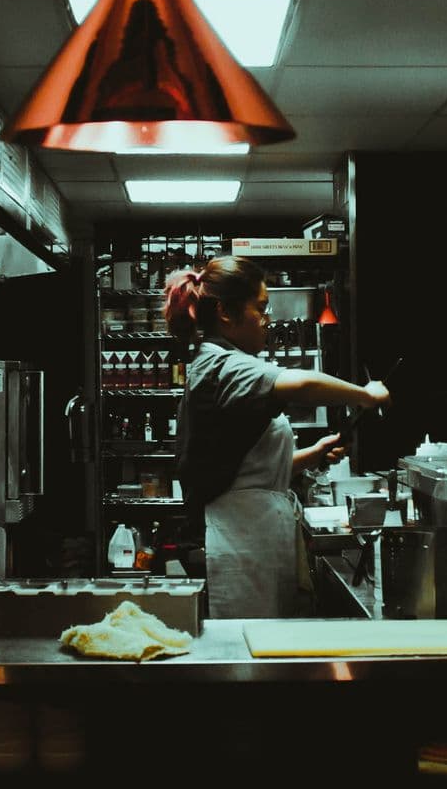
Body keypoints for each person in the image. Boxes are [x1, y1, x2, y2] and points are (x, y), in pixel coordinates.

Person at [164, 256, 389, 618]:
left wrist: (312, 455)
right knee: (245, 653)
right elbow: (300, 383)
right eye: (260, 308)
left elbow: (245, 471)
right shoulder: (224, 364)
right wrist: (367, 394)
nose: (266, 321)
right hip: (239, 540)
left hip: (252, 533)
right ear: (225, 312)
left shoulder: (222, 361)